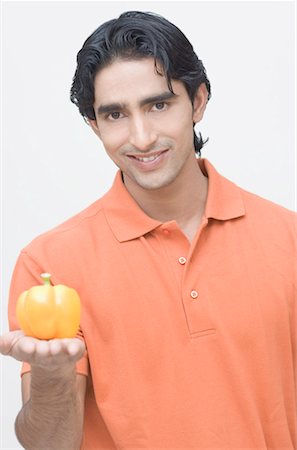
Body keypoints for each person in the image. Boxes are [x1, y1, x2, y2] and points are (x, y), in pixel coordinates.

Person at [1, 10, 296, 450]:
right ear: (94, 125)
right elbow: (48, 446)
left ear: (197, 102)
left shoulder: (288, 239)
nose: (140, 137)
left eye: (158, 105)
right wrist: (52, 376)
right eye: (116, 114)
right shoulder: (49, 265)